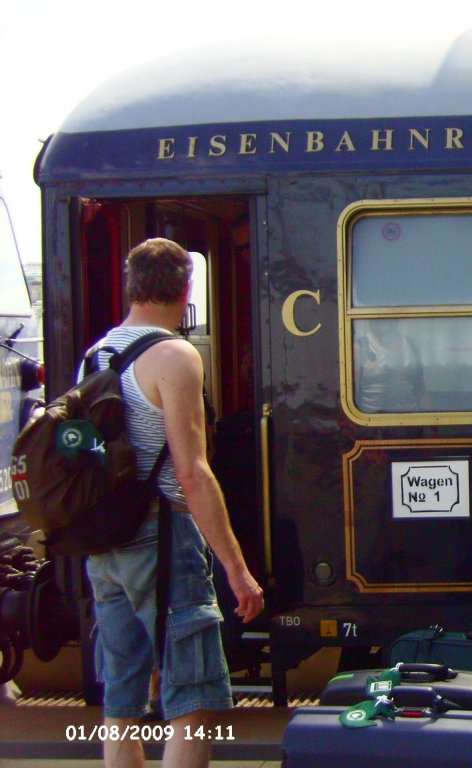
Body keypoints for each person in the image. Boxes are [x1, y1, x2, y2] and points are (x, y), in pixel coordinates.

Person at [84, 238, 264, 768]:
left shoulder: (96, 354)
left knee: (122, 699)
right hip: (161, 539)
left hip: (105, 543)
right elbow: (192, 472)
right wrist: (236, 567)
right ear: (186, 291)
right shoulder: (174, 357)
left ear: (130, 286)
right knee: (192, 700)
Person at [353, 319, 428, 413]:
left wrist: (432, 424)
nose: (383, 319)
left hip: (409, 420)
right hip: (371, 422)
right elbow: (354, 394)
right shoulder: (359, 346)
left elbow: (421, 390)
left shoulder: (410, 343)